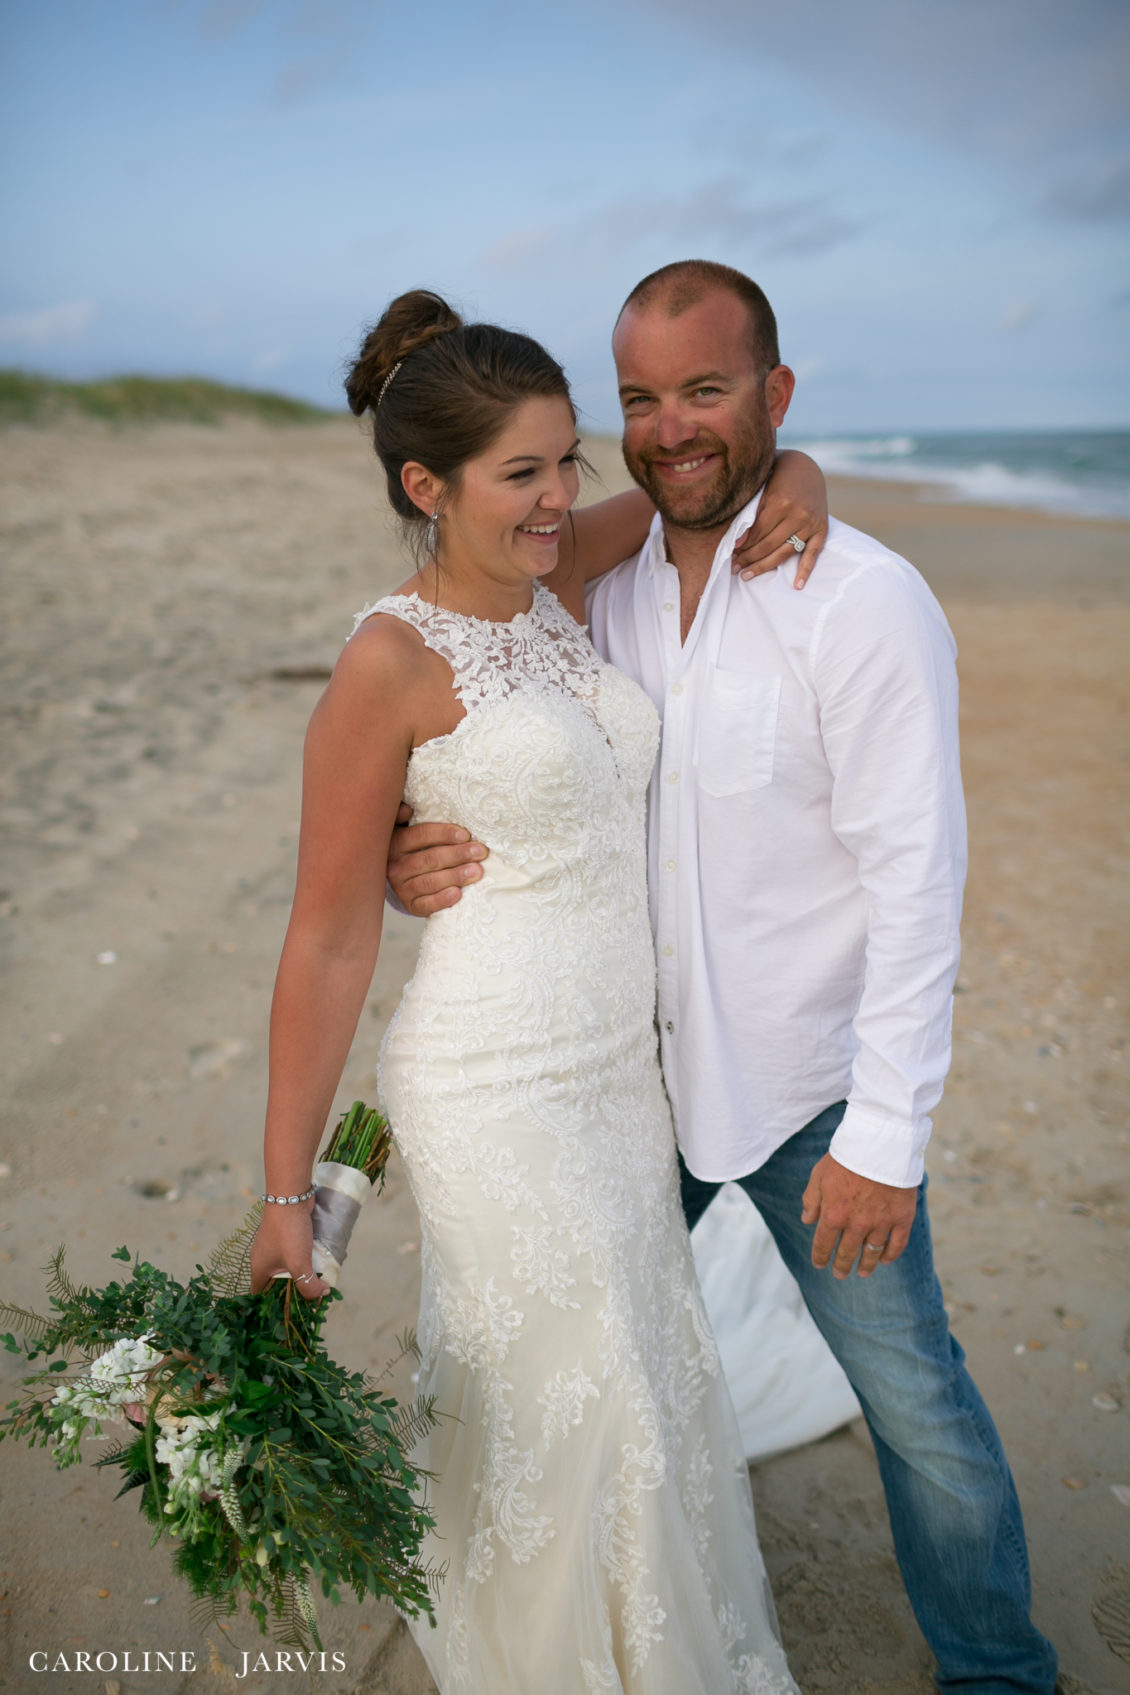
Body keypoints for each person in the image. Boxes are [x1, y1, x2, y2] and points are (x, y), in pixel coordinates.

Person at [388, 261, 1060, 1695]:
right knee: (570, 1361)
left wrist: (884, 1140)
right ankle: (552, 1609)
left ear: (774, 392)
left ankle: (999, 1672)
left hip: (806, 1092)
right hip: (626, 1081)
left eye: (707, 389)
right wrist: (414, 841)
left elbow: (914, 883)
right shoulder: (595, 585)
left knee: (916, 1406)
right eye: (642, 398)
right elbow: (475, 698)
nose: (673, 425)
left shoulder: (861, 600)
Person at [248, 288, 826, 1693]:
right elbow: (326, 940)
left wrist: (799, 468)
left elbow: (707, 498)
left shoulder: (556, 585)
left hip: (614, 1077)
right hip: (489, 1079)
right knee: (582, 1390)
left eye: (571, 458)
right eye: (525, 473)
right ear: (424, 486)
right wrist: (283, 1202)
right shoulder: (386, 664)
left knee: (637, 1361)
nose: (565, 496)